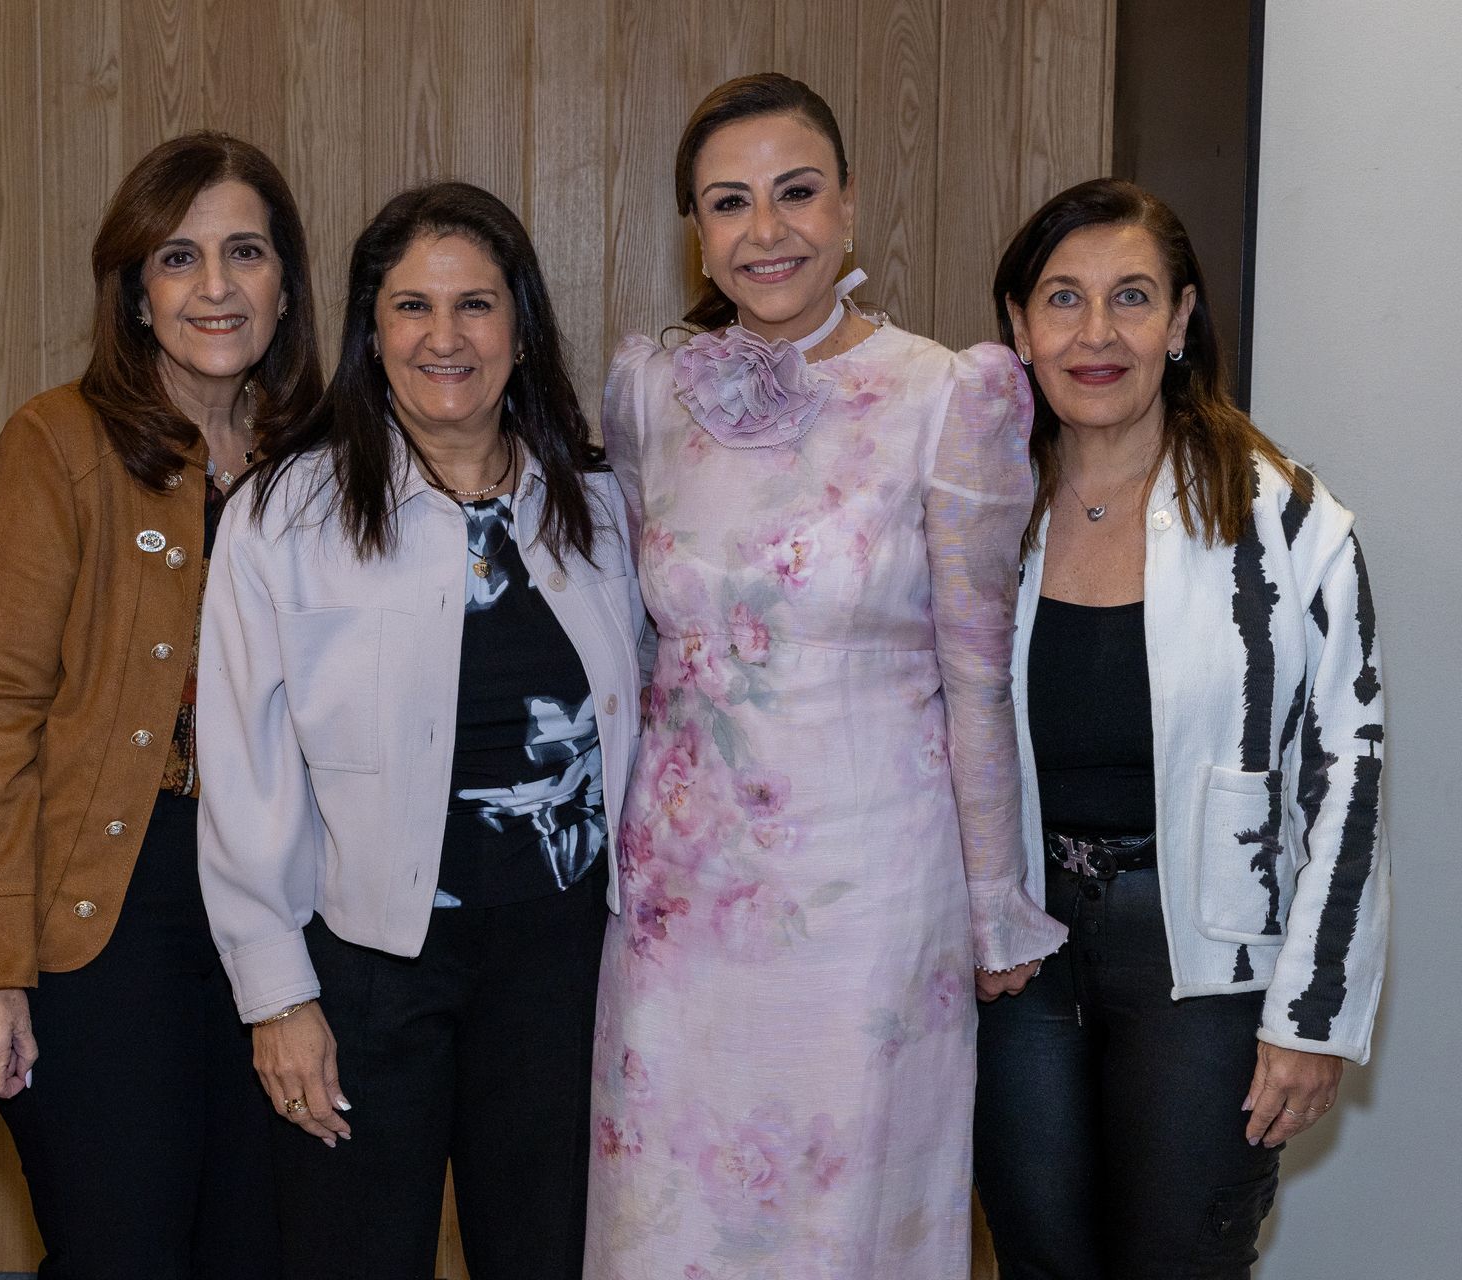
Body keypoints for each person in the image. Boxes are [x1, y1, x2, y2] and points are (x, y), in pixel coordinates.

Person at [584, 72, 1067, 1278]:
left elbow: (978, 674)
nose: (767, 229)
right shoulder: (649, 390)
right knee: (667, 1213)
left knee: (844, 1220)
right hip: (680, 898)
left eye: (796, 192)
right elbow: (636, 638)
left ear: (849, 203)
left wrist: (996, 901)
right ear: (697, 232)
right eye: (729, 202)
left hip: (870, 895)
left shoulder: (948, 394)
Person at [196, 180, 643, 1279]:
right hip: (366, 970)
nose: (445, 337)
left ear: (521, 329)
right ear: (371, 330)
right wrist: (279, 997)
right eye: (412, 306)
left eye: (475, 305)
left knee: (547, 1255)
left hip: (563, 965)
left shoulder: (599, 507)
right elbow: (244, 772)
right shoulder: (284, 515)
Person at [972, 177, 1390, 1278]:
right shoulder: (977, 509)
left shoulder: (1284, 519)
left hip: (1209, 962)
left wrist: (1311, 1014)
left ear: (1182, 318)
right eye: (1062, 298)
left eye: (1132, 296)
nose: (1096, 334)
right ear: (1019, 324)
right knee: (1038, 1257)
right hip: (1018, 951)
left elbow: (1349, 776)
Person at [0, 133, 321, 1279]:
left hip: (283, 904)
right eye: (178, 257)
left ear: (286, 283)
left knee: (258, 1251)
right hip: (110, 905)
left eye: (245, 251)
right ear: (135, 291)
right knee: (123, 1247)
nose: (215, 286)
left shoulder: (322, 457)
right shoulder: (56, 442)